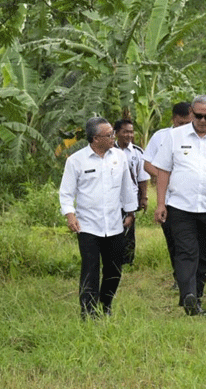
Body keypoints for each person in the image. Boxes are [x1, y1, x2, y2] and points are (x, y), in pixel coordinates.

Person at [153, 95, 206, 315]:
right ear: (191, 112)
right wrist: (160, 203)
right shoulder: (174, 136)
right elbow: (163, 171)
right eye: (199, 115)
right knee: (186, 251)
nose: (203, 120)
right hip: (180, 206)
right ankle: (188, 293)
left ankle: (195, 298)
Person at [59, 117, 137, 319]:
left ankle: (106, 304)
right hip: (88, 226)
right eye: (109, 135)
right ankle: (88, 311)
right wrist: (70, 215)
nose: (114, 137)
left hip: (114, 224)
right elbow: (66, 193)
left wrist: (130, 212)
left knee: (114, 270)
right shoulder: (76, 160)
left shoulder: (119, 157)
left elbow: (127, 186)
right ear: (95, 138)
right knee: (90, 269)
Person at [142, 102, 192, 289]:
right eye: (181, 123)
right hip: (169, 199)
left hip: (193, 199)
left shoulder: (200, 137)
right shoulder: (162, 136)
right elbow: (147, 163)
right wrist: (163, 176)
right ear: (173, 120)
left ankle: (196, 274)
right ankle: (179, 278)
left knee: (192, 241)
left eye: (188, 122)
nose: (184, 127)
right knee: (174, 241)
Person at [113, 119, 150, 266]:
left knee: (129, 228)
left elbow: (142, 177)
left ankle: (128, 261)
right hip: (113, 197)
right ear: (116, 133)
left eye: (131, 131)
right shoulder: (109, 151)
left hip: (131, 197)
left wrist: (144, 197)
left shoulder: (137, 152)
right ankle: (113, 258)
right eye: (125, 131)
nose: (129, 135)